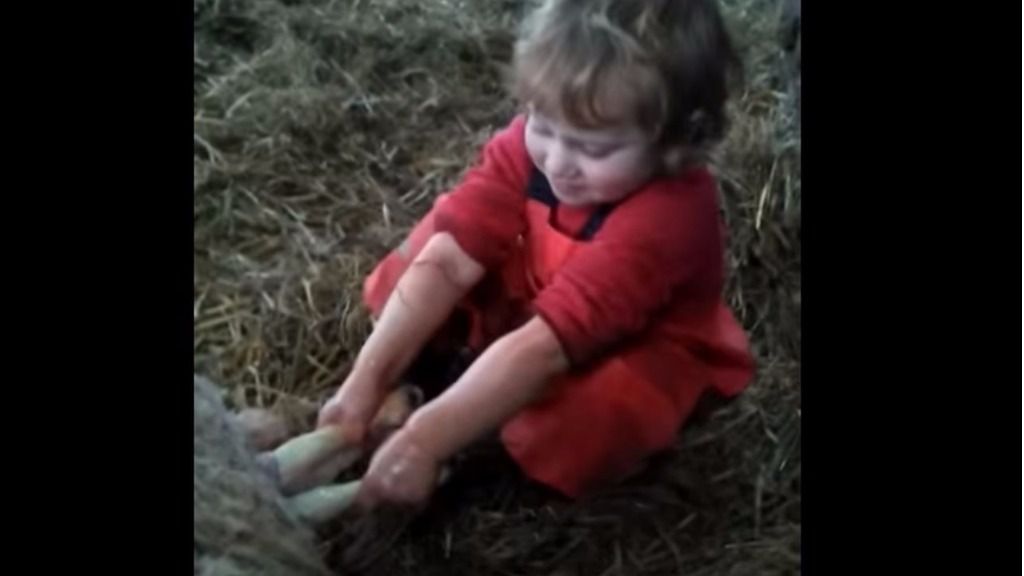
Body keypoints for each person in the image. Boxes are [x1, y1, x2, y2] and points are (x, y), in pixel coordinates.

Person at [318, 0, 755, 509]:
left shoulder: (670, 214)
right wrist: (364, 380)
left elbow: (546, 349)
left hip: (622, 342)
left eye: (594, 150)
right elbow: (452, 257)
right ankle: (426, 386)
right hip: (542, 297)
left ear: (679, 141)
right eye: (542, 124)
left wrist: (424, 443)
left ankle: (480, 457)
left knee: (581, 423)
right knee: (424, 252)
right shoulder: (529, 150)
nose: (558, 162)